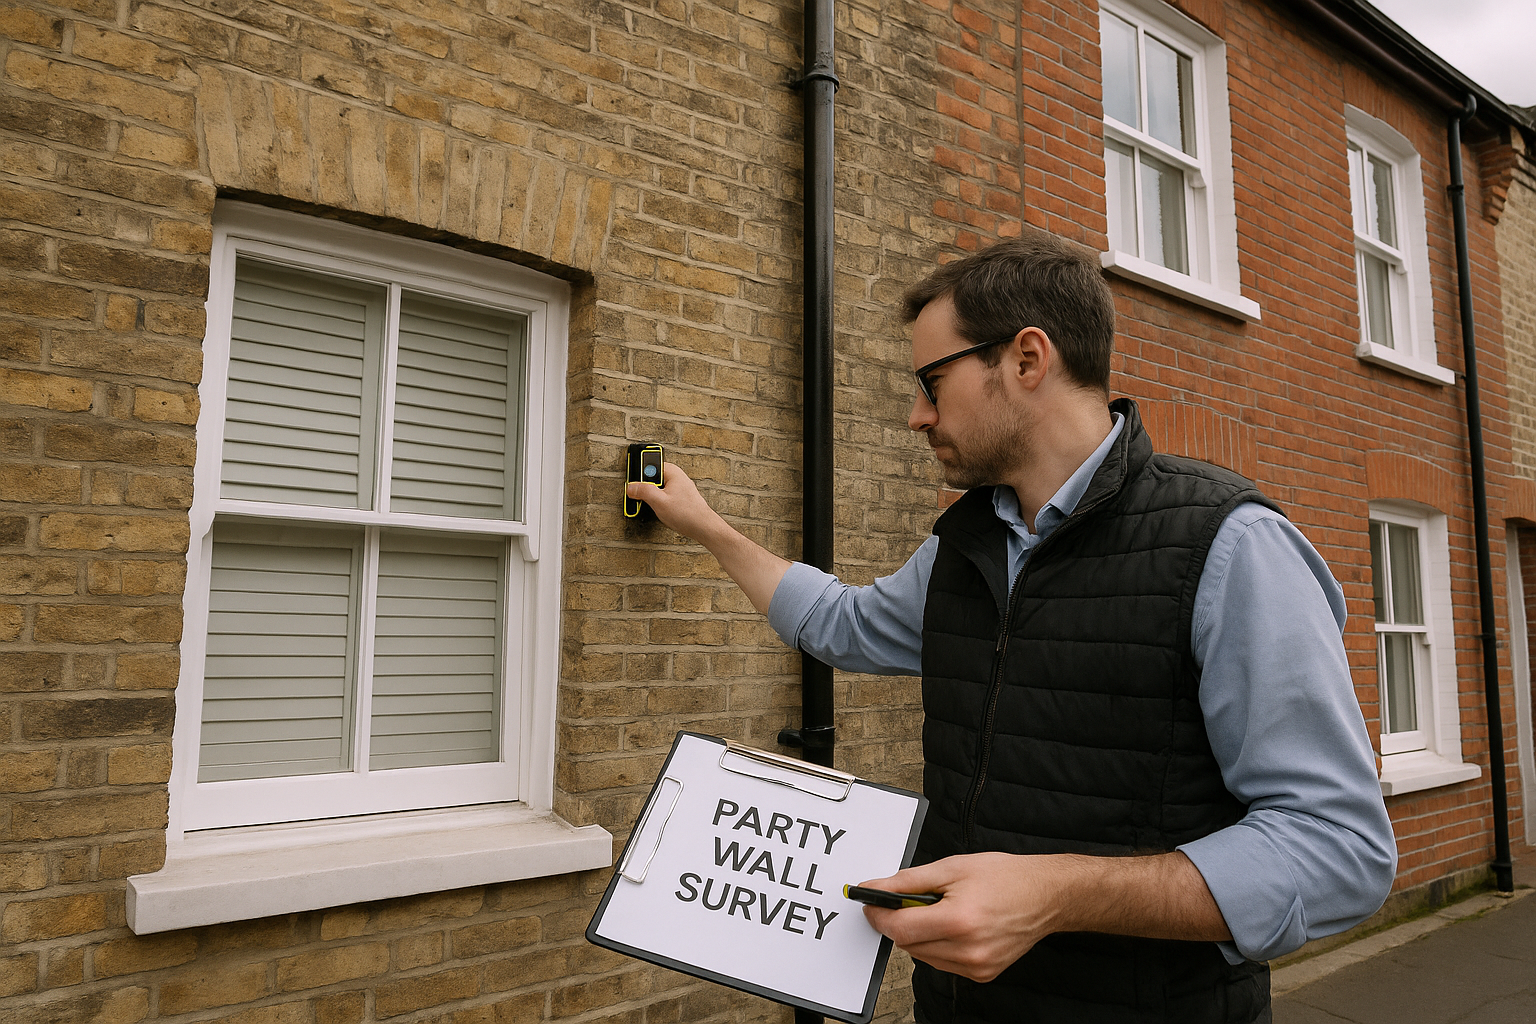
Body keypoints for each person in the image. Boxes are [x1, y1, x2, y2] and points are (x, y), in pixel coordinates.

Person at [627, 233, 1397, 1024]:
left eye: (933, 381)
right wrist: (706, 526)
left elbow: (1339, 850)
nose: (917, 416)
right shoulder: (964, 547)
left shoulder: (1230, 547)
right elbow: (839, 624)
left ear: (1027, 359)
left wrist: (1054, 894)